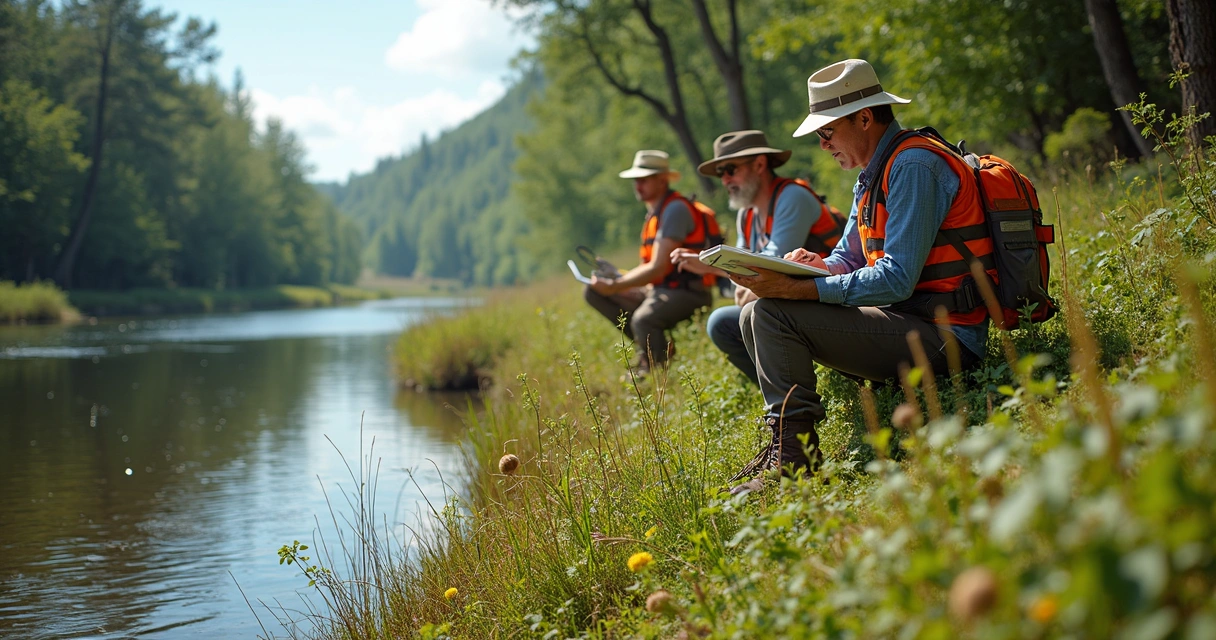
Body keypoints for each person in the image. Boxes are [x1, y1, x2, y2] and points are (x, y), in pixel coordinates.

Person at [726, 59, 994, 494]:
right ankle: (788, 448)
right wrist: (811, 266)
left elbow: (897, 279)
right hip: (907, 323)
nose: (822, 144)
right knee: (751, 312)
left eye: (826, 132)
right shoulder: (872, 174)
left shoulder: (913, 166)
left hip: (948, 337)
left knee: (772, 313)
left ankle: (795, 466)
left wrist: (802, 289)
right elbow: (848, 257)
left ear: (865, 118)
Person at [670, 130, 842, 384]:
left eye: (730, 169)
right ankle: (778, 395)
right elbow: (744, 278)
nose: (725, 180)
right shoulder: (746, 216)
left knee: (744, 312)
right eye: (721, 174)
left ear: (760, 164)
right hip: (789, 302)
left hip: (830, 299)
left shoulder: (792, 197)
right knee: (720, 323)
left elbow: (771, 268)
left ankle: (794, 398)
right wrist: (711, 266)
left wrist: (709, 265)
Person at [584, 150, 714, 375]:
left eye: (643, 179)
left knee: (644, 319)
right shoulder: (656, 211)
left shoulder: (674, 210)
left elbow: (659, 267)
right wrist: (618, 277)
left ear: (662, 180)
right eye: (635, 180)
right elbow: (655, 270)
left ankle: (656, 367)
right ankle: (653, 349)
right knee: (593, 292)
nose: (637, 185)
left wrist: (617, 285)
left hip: (690, 292)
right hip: (660, 289)